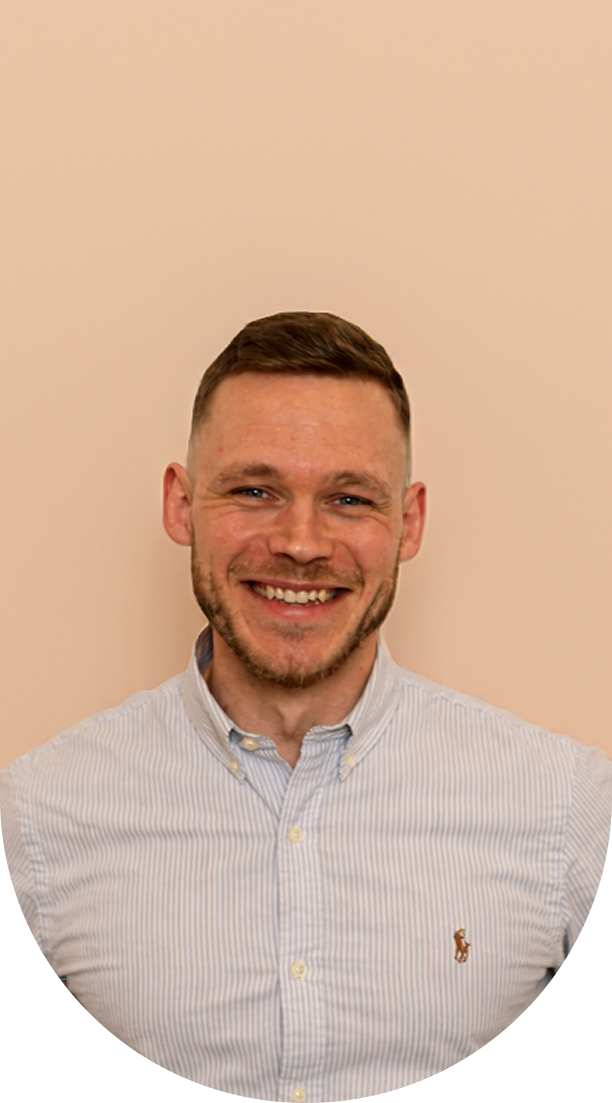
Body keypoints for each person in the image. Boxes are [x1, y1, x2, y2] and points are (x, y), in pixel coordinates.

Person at [1, 311, 610, 1102]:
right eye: (254, 491)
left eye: (349, 499)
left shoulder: (567, 812)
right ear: (181, 504)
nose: (299, 542)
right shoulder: (36, 826)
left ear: (409, 522)